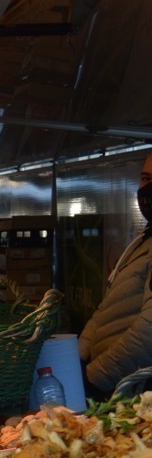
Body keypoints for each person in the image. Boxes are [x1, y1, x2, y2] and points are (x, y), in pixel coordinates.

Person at [80, 155, 152, 393]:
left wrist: (94, 377)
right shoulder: (143, 241)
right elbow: (106, 309)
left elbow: (148, 332)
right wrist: (77, 360)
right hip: (114, 387)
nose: (148, 188)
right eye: (145, 178)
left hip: (134, 394)